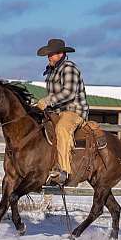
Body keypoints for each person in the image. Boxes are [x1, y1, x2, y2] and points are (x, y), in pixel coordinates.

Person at [35, 38, 89, 185]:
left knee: (62, 128)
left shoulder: (69, 68)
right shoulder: (52, 70)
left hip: (74, 110)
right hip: (57, 110)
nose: (48, 57)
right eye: (48, 54)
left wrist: (47, 101)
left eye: (51, 54)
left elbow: (69, 93)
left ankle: (64, 171)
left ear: (60, 54)